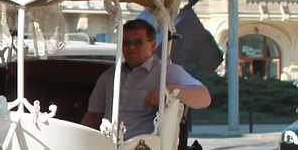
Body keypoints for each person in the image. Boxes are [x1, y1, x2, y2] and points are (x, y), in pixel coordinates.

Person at [81, 18, 212, 137]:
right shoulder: (110, 75)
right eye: (126, 43)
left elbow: (204, 98)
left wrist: (167, 90)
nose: (131, 47)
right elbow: (93, 114)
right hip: (105, 146)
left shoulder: (166, 72)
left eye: (138, 42)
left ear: (153, 45)